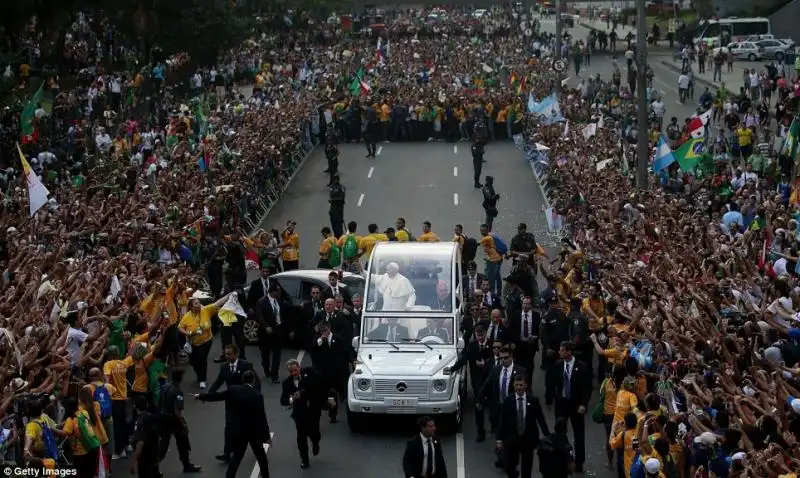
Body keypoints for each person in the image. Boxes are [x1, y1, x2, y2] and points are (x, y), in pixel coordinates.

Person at [196, 370, 271, 478]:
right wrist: (266, 436)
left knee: (236, 459)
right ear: (253, 380)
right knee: (261, 458)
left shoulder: (233, 389)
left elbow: (217, 396)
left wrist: (200, 396)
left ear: (243, 380)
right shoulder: (257, 395)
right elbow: (262, 418)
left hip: (239, 431)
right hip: (254, 433)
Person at [545, 342, 591, 473]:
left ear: (569, 352)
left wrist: (583, 404)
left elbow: (587, 388)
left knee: (578, 434)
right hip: (561, 404)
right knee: (560, 433)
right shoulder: (558, 365)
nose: (560, 353)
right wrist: (549, 399)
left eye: (563, 350)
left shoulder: (582, 367)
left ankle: (579, 462)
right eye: (560, 350)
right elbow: (552, 383)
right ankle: (563, 459)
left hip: (576, 405)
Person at [209, 344, 259, 463]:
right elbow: (218, 382)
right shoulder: (224, 367)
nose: (226, 356)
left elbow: (255, 380)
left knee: (249, 427)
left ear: (236, 354)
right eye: (225, 354)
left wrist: (256, 395)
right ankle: (227, 453)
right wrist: (209, 395)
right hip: (231, 402)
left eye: (229, 354)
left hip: (245, 402)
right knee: (229, 427)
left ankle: (258, 447)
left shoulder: (246, 365)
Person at [496, 374, 550, 478]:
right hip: (512, 439)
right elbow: (502, 420)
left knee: (527, 468)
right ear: (513, 385)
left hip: (528, 439)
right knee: (510, 466)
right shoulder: (508, 401)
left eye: (521, 385)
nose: (519, 387)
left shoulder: (533, 400)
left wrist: (547, 434)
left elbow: (540, 418)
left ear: (526, 385)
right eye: (517, 385)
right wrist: (499, 439)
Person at [280, 359, 329, 468]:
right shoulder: (287, 383)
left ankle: (315, 442)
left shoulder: (310, 373)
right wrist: (292, 399)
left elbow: (322, 383)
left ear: (299, 367)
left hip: (313, 410)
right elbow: (283, 400)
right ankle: (304, 460)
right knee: (301, 437)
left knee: (314, 432)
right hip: (299, 414)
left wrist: (325, 398)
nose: (293, 373)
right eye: (291, 372)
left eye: (295, 370)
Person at [178, 292, 233, 389]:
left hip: (207, 341)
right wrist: (187, 333)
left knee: (202, 360)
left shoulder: (206, 310)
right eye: (196, 303)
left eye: (199, 303)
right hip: (194, 343)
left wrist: (229, 295)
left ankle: (202, 379)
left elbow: (218, 303)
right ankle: (199, 372)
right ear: (191, 307)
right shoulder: (187, 316)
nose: (198, 305)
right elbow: (180, 327)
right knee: (194, 362)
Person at [309, 321, 355, 424]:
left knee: (333, 394)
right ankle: (324, 409)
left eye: (325, 330)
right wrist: (320, 340)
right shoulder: (319, 340)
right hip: (323, 372)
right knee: (324, 394)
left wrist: (353, 360)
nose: (324, 332)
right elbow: (312, 350)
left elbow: (346, 351)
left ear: (329, 328)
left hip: (335, 372)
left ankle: (332, 414)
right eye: (322, 331)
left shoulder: (338, 339)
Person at [158, 369, 202, 472]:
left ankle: (153, 468)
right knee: (183, 442)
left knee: (163, 444)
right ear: (180, 379)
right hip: (173, 420)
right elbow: (177, 411)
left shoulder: (165, 387)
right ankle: (186, 465)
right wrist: (184, 424)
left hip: (163, 418)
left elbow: (159, 403)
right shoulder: (177, 391)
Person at [256, 282, 288, 383]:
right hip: (266, 333)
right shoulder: (261, 302)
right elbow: (259, 316)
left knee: (277, 355)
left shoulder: (278, 301)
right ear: (273, 292)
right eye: (278, 291)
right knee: (265, 354)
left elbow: (284, 310)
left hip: (277, 331)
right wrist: (266, 326)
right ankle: (266, 369)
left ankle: (275, 375)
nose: (279, 293)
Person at [129, 395, 161, 478]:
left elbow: (140, 443)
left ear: (135, 406)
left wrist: (133, 461)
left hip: (144, 460)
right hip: (153, 457)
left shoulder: (141, 421)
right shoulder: (152, 418)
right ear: (146, 405)